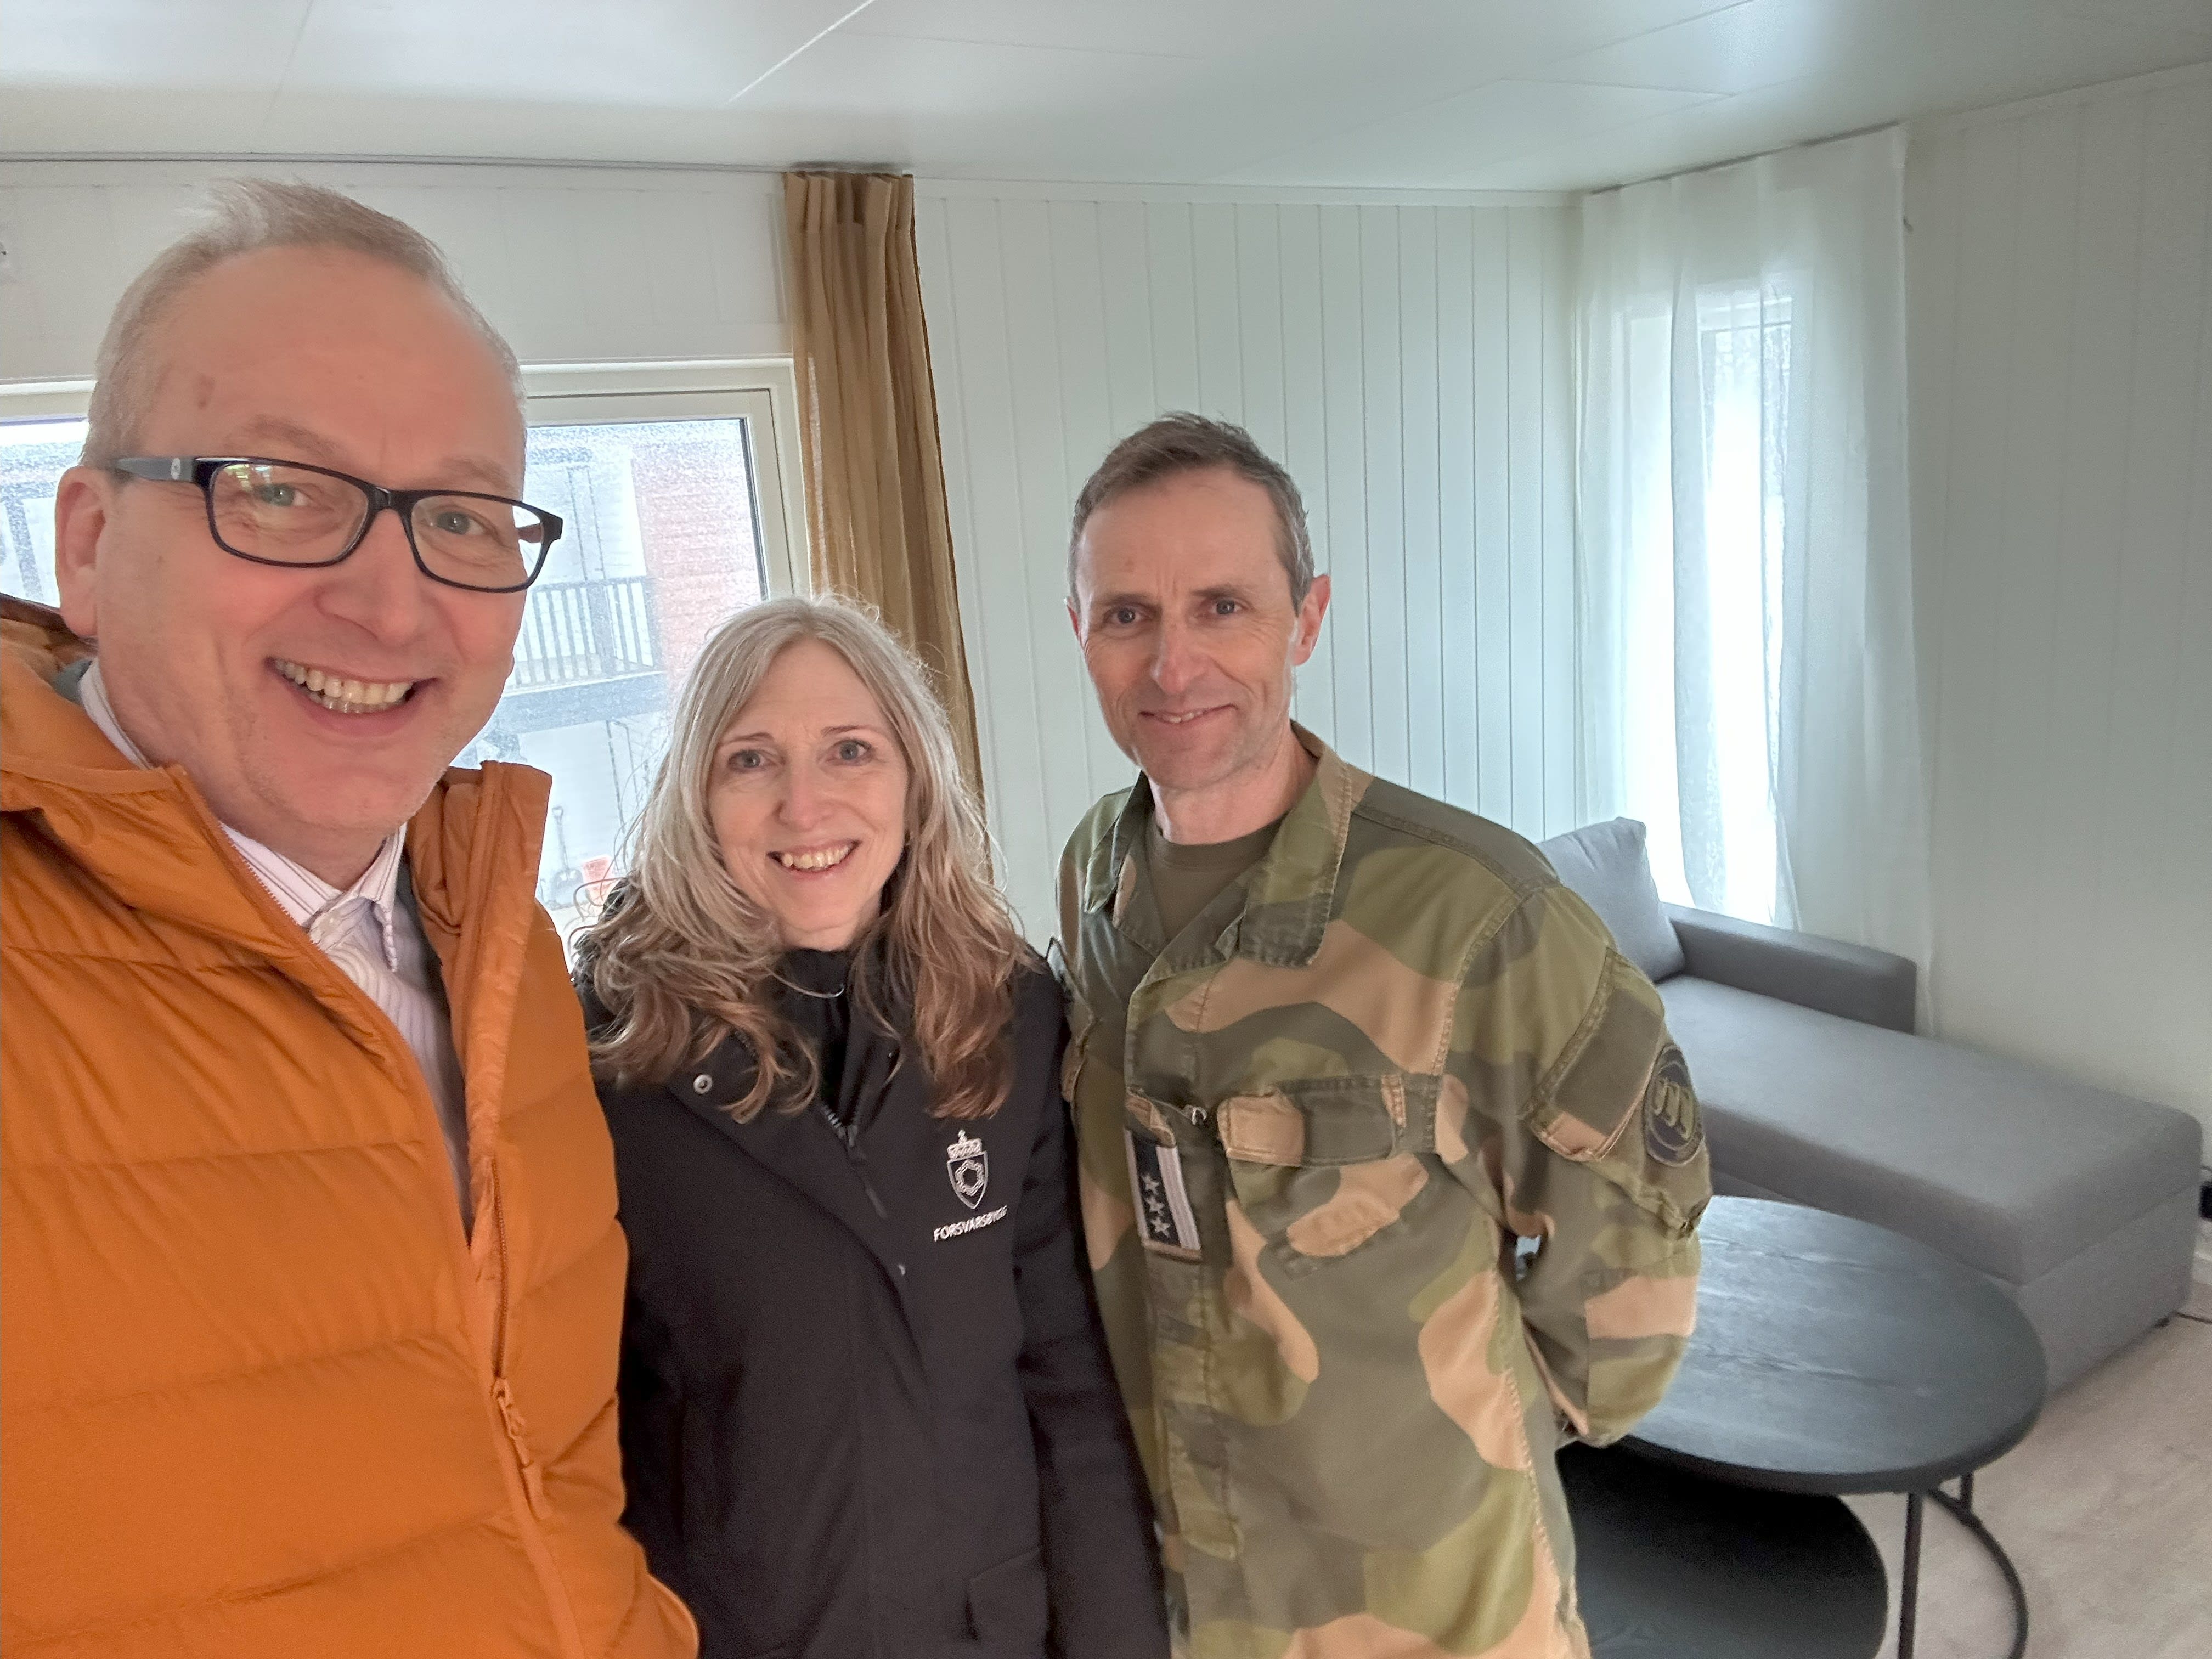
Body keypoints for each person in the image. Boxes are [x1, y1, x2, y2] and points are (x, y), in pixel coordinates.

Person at [0, 182, 696, 1658]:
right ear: (89, 542)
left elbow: (550, 1498)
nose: (390, 606)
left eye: (461, 517)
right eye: (278, 488)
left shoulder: (507, 957)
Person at [1056, 414, 1712, 1657]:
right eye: (1128, 614)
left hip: (1434, 1611)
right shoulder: (1096, 874)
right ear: (1079, 632)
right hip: (1177, 1588)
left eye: (1223, 607)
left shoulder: (1481, 918)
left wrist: (1462, 1433)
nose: (1174, 665)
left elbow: (1630, 1277)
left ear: (1305, 621)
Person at [574, 597, 1167, 1659]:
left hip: (989, 1629)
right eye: (751, 760)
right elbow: (570, 1430)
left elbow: (1068, 1386)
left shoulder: (1007, 1016)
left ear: (913, 780)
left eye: (850, 750)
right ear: (697, 796)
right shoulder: (610, 1057)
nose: (806, 806)